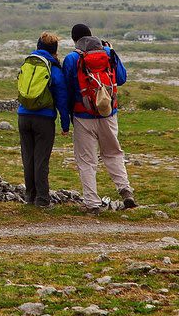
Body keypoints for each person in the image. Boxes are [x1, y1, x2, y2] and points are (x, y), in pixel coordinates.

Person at [62, 23, 136, 214]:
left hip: (82, 115)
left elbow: (68, 88)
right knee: (113, 153)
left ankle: (92, 203)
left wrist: (67, 116)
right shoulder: (107, 52)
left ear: (74, 40)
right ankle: (125, 191)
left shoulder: (72, 58)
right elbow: (121, 78)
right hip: (108, 113)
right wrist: (111, 51)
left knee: (87, 160)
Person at [17, 32, 70, 208]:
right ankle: (42, 199)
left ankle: (29, 197)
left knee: (28, 158)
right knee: (41, 160)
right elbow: (62, 98)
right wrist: (65, 123)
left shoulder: (29, 64)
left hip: (23, 116)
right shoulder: (54, 69)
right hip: (44, 119)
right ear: (55, 50)